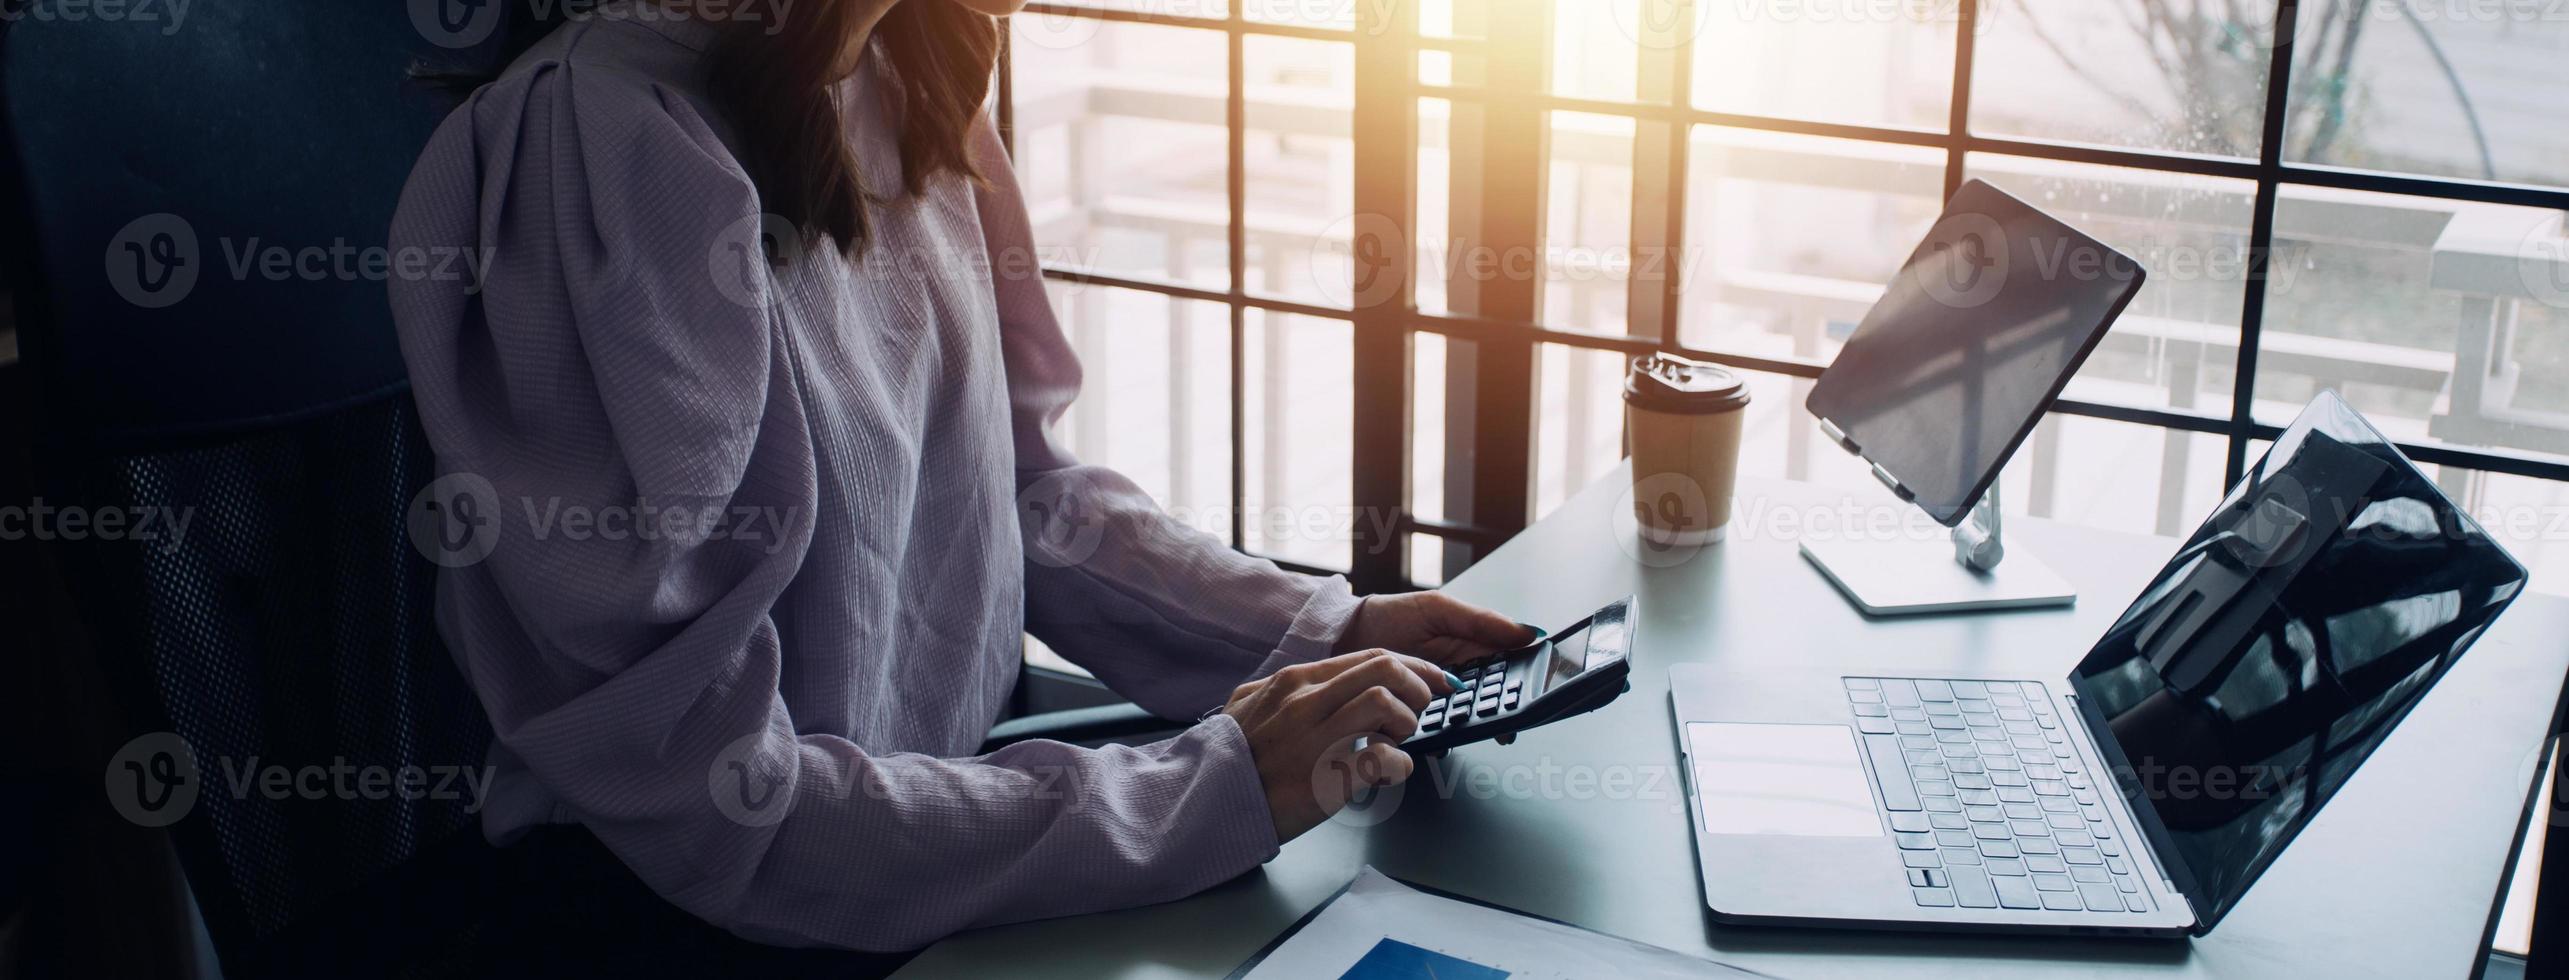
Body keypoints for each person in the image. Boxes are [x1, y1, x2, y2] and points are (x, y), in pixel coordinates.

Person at [387, 0, 1534, 959]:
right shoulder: (604, 151)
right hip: (684, 923)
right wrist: (1204, 789)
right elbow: (730, 812)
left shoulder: (905, 63)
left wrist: (1316, 633)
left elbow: (1024, 498)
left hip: (932, 845)